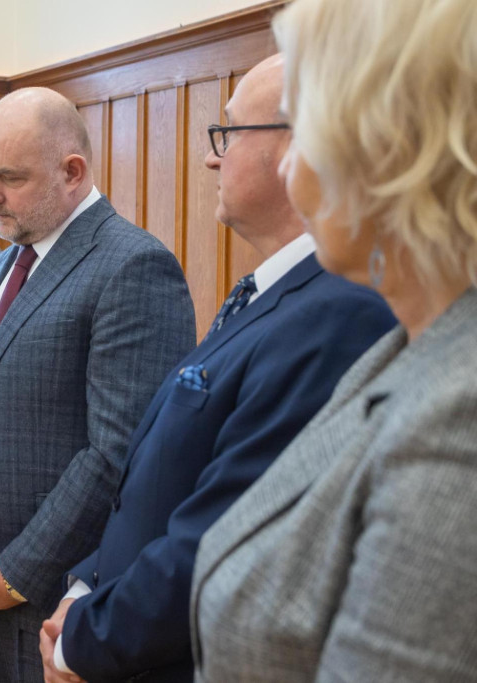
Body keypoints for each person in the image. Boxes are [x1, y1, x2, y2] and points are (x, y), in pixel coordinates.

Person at [38, 54, 397, 683]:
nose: (211, 157)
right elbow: (162, 483)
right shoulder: (279, 292)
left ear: (300, 148)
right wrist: (84, 585)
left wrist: (83, 638)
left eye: (227, 134)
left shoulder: (341, 313)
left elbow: (224, 535)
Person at [190, 0, 477, 680]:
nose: (288, 165)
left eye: (304, 125)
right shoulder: (406, 350)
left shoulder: (457, 417)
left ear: (390, 144)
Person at [0, 86, 197, 683]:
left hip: (59, 601)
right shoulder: (4, 261)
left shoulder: (132, 266)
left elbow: (119, 452)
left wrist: (15, 572)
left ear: (72, 172)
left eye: (8, 177)